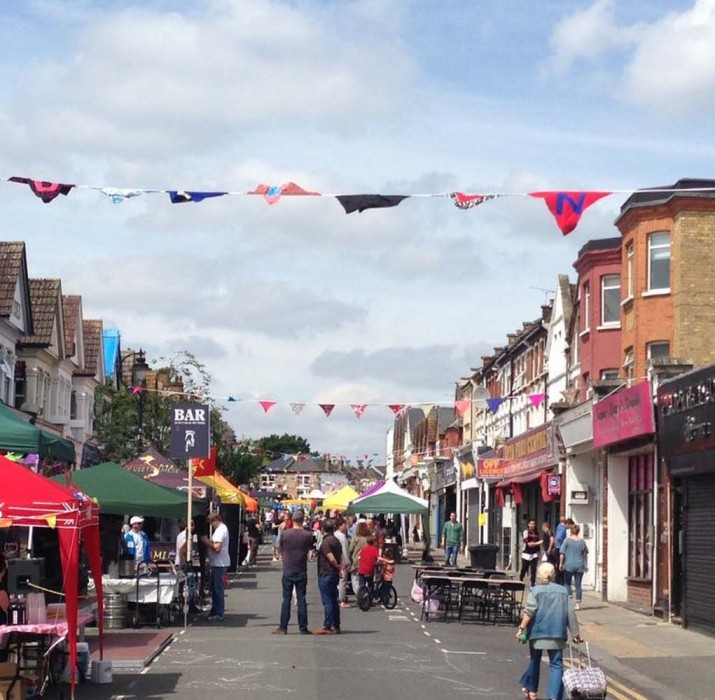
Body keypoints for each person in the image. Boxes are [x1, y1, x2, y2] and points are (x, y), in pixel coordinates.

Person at [515, 562, 582, 700]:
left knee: (535, 661)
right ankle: (553, 697)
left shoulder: (536, 591)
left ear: (540, 575)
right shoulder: (563, 591)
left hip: (537, 633)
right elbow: (570, 613)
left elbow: (530, 611)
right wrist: (575, 634)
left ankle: (532, 692)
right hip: (557, 633)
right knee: (556, 665)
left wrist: (521, 628)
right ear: (552, 575)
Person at [273, 509, 314, 635]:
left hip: (288, 568)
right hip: (301, 569)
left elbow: (279, 547)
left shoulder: (285, 534)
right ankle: (303, 627)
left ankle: (283, 627)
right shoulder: (308, 535)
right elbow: (310, 549)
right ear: (303, 520)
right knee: (301, 598)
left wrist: (283, 555)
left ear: (293, 520)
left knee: (286, 599)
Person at [314, 518, 343, 635]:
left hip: (326, 573)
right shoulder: (336, 541)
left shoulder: (326, 542)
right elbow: (340, 556)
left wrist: (337, 566)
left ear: (322, 529)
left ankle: (328, 625)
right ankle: (336, 625)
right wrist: (340, 568)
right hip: (333, 574)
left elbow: (331, 558)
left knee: (328, 600)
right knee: (333, 600)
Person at [201, 512, 230, 622]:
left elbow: (217, 548)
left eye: (212, 522)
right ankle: (215, 610)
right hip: (218, 562)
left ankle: (218, 612)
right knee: (215, 588)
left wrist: (205, 541)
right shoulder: (222, 529)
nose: (211, 525)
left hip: (219, 563)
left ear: (216, 520)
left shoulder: (221, 530)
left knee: (218, 589)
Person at [560, 523, 588, 611]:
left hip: (569, 565)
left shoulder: (567, 541)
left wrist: (561, 564)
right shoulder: (582, 542)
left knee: (567, 583)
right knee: (578, 585)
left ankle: (569, 595)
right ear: (578, 531)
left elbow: (562, 553)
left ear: (571, 531)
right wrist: (585, 564)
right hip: (579, 566)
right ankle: (578, 604)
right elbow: (585, 554)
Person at [348, 521, 371, 595]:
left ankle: (360, 596)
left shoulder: (355, 539)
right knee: (366, 579)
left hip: (356, 561)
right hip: (367, 561)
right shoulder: (368, 539)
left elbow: (350, 550)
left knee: (355, 580)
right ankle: (366, 594)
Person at [333, 517, 351, 608]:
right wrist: (347, 562)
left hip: (333, 560)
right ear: (340, 526)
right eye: (344, 525)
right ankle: (342, 600)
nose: (346, 527)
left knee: (335, 580)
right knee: (343, 580)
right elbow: (345, 550)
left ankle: (335, 597)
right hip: (342, 561)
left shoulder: (334, 535)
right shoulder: (342, 537)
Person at [519, 519, 542, 587]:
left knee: (533, 569)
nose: (533, 525)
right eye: (531, 524)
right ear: (528, 524)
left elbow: (537, 545)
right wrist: (538, 543)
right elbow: (528, 543)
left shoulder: (536, 532)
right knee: (524, 568)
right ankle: (521, 579)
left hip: (534, 554)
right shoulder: (526, 532)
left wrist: (538, 552)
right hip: (526, 553)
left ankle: (532, 583)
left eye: (534, 524)